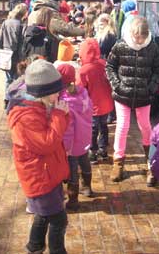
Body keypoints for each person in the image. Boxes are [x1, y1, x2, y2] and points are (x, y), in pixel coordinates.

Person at [7, 59, 70, 254]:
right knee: (59, 220)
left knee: (43, 216)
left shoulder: (41, 105)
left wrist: (62, 115)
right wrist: (59, 115)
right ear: (40, 92)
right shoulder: (25, 116)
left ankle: (34, 248)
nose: (58, 95)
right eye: (54, 92)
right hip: (40, 177)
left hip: (47, 173)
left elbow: (56, 134)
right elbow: (46, 143)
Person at [106, 16, 159, 182]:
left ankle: (150, 158)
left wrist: (151, 88)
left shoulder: (151, 47)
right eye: (136, 37)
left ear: (146, 35)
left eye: (142, 37)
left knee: (145, 126)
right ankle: (118, 161)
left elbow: (158, 69)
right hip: (123, 94)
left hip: (143, 95)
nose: (139, 41)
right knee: (122, 126)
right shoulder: (121, 45)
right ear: (131, 33)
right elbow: (110, 66)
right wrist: (116, 85)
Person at [56, 64, 93, 211]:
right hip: (84, 138)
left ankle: (73, 200)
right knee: (84, 162)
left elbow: (67, 127)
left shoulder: (62, 100)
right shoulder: (83, 93)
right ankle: (88, 187)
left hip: (70, 143)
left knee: (72, 170)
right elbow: (90, 111)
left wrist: (64, 145)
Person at [77, 38, 114, 164]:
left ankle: (92, 151)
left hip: (92, 106)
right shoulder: (104, 64)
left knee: (92, 129)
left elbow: (79, 89)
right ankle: (103, 150)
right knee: (103, 126)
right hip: (106, 104)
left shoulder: (84, 70)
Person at [0, 3, 28, 108]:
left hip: (6, 54)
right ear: (23, 14)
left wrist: (1, 50)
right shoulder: (21, 25)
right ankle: (13, 100)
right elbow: (22, 43)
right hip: (16, 56)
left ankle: (7, 99)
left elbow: (0, 39)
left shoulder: (5, 23)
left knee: (8, 79)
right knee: (16, 79)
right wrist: (23, 58)